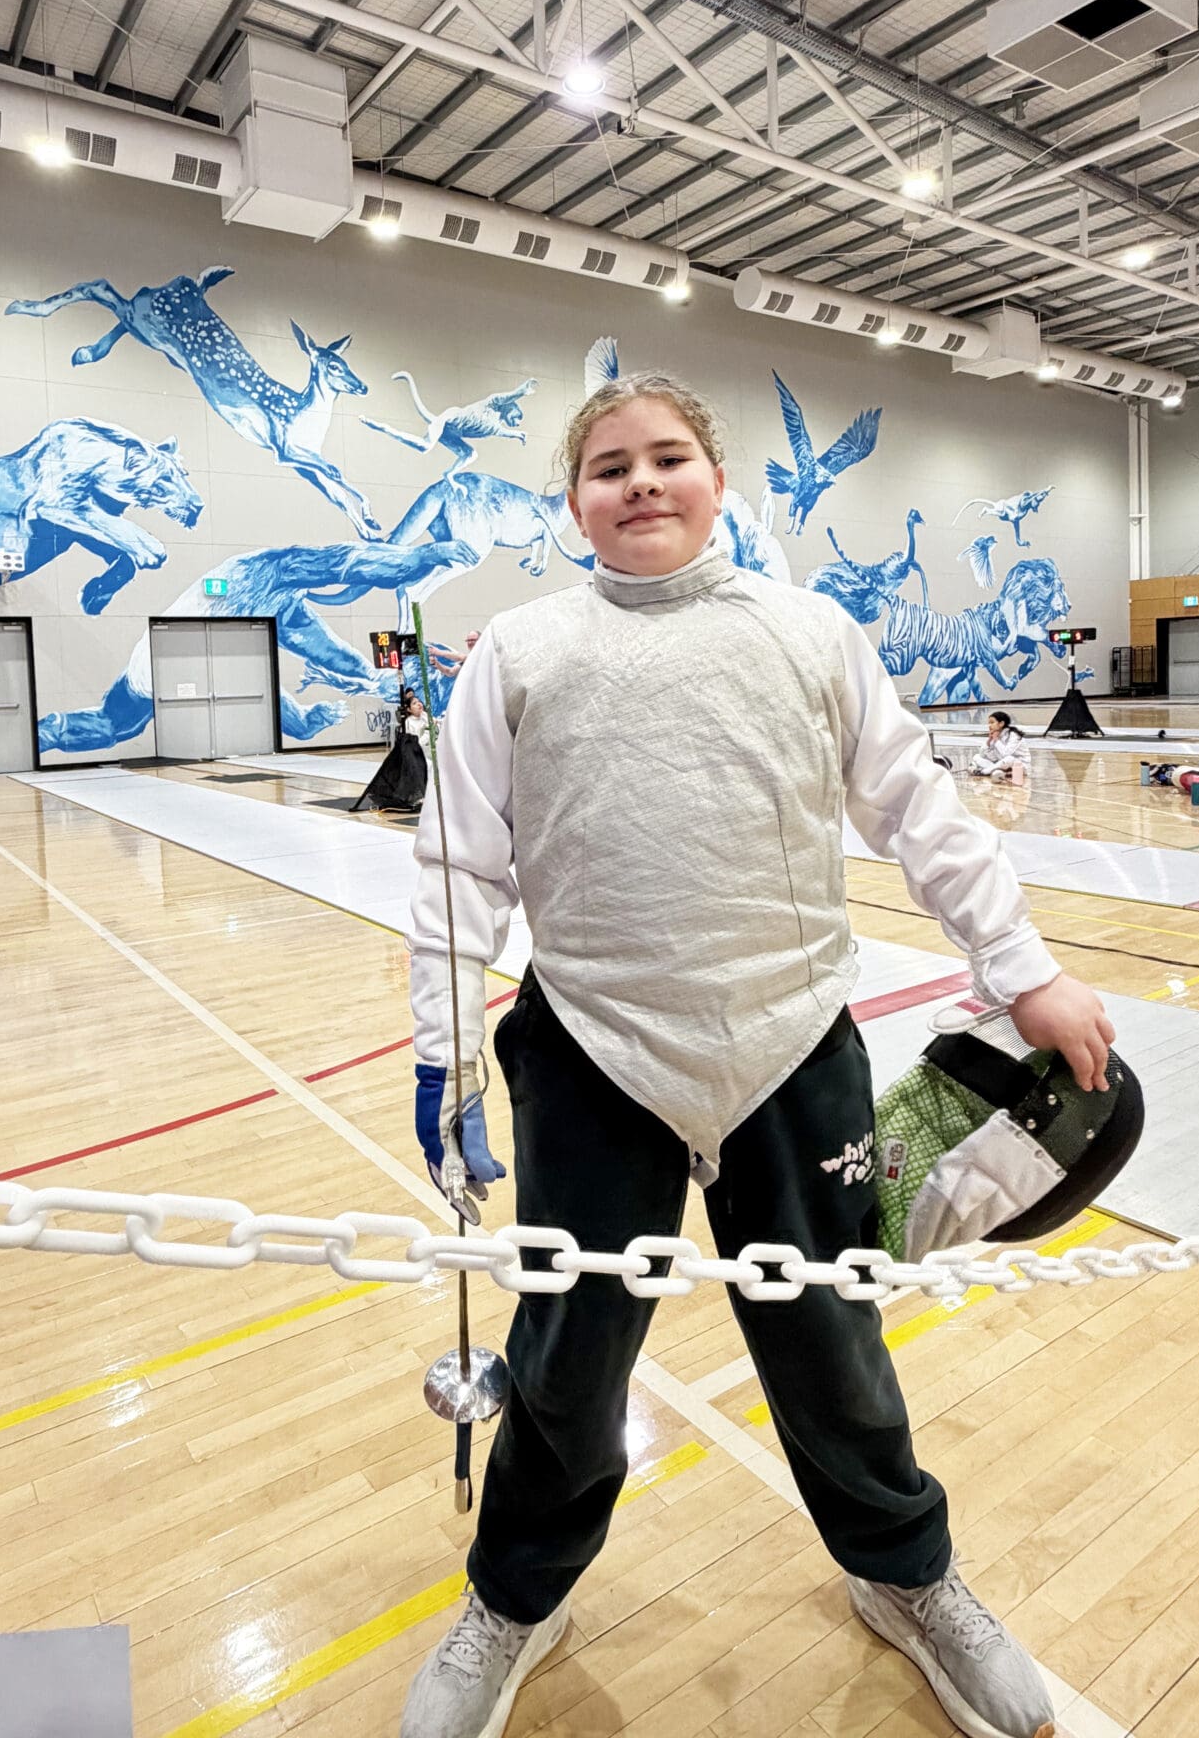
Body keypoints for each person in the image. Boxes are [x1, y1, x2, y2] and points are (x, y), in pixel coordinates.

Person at [403, 371, 1114, 1738]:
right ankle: (516, 1595)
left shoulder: (808, 629)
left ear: (719, 483)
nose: (642, 481)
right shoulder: (523, 649)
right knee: (566, 1356)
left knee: (833, 1342)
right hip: (590, 1050)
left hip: (792, 1045)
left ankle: (905, 1575)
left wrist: (1022, 969)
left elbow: (917, 807)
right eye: (609, 466)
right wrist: (446, 1057)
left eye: (670, 456)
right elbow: (458, 865)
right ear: (574, 505)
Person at [969, 710, 1028, 780]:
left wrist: (996, 740)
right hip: (1002, 764)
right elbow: (984, 756)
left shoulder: (1013, 735)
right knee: (977, 757)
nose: (989, 725)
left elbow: (1006, 754)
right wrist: (989, 741)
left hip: (1019, 765)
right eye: (989, 723)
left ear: (1001, 723)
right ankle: (997, 771)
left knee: (1009, 759)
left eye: (992, 722)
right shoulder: (996, 735)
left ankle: (983, 772)